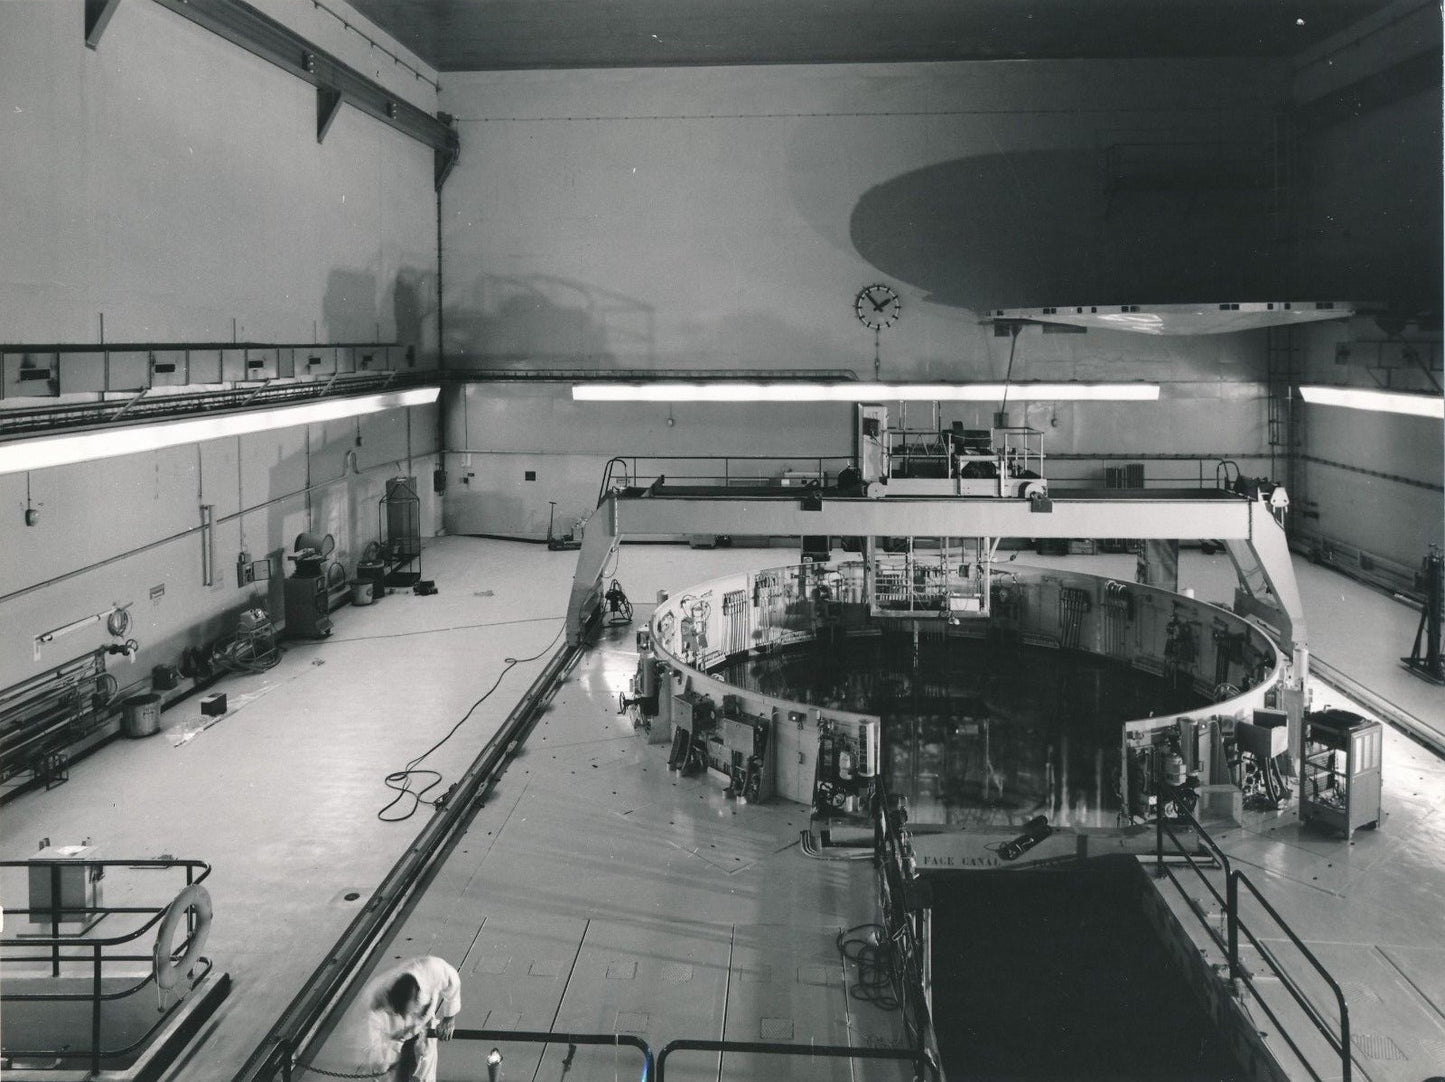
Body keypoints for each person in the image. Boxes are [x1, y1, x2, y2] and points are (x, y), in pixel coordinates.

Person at [357, 955, 461, 1082]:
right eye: (401, 1012)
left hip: (423, 1023)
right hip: (393, 1031)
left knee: (425, 1065)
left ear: (417, 997)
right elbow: (373, 1041)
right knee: (385, 1071)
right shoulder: (377, 998)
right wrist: (385, 1064)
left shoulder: (432, 969)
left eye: (407, 1011)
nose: (405, 1016)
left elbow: (453, 982)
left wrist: (449, 1018)